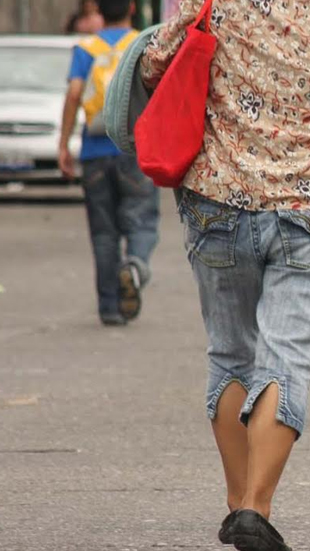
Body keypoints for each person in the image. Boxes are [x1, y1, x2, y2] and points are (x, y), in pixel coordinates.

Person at [140, 0, 310, 551]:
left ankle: (236, 503)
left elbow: (155, 62)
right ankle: (256, 506)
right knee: (286, 360)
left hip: (219, 200)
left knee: (230, 354)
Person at [59, 0, 157, 326]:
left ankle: (110, 308)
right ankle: (135, 265)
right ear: (131, 8)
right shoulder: (142, 43)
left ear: (99, 10)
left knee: (103, 233)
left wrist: (64, 145)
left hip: (94, 151)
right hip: (135, 150)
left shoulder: (87, 48)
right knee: (141, 220)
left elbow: (74, 94)